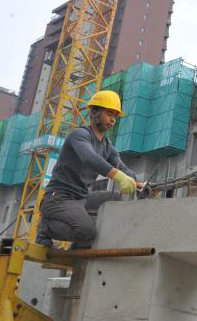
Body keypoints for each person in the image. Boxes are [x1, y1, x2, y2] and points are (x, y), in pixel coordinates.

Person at [36, 90, 142, 249]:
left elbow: (123, 169)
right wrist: (118, 177)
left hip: (82, 198)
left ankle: (78, 248)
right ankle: (45, 227)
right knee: (87, 232)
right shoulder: (79, 134)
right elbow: (90, 158)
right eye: (109, 113)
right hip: (58, 198)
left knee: (115, 198)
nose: (113, 120)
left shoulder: (108, 147)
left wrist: (141, 184)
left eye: (115, 116)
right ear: (94, 112)